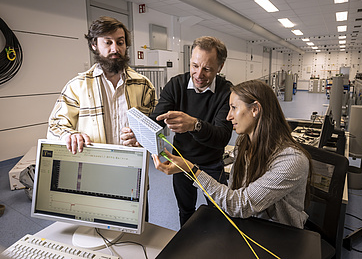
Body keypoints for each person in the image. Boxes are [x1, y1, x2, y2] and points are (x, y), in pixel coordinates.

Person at [152, 80, 312, 228]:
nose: (228, 116)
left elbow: (240, 205)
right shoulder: (244, 143)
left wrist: (191, 170)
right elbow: (234, 192)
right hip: (248, 225)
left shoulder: (292, 160)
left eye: (234, 108)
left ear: (255, 109)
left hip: (281, 237)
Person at [123, 36, 233, 226]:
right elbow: (156, 120)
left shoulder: (226, 92)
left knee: (220, 214)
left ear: (220, 67)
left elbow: (222, 136)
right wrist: (140, 133)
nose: (199, 74)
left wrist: (195, 125)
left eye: (207, 69)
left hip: (212, 164)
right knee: (186, 211)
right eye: (195, 66)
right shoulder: (176, 85)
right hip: (181, 161)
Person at [47, 16, 157, 153]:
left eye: (120, 42)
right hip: (94, 165)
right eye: (108, 42)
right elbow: (55, 126)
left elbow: (156, 126)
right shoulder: (77, 87)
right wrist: (70, 136)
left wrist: (142, 136)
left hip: (134, 164)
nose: (115, 49)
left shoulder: (143, 85)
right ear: (94, 45)